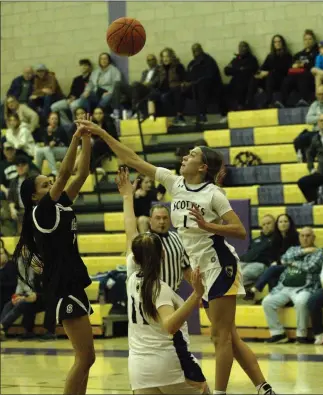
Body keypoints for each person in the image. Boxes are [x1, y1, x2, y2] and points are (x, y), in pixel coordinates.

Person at [75, 118, 276, 395]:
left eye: (192, 155)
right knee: (228, 335)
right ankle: (264, 387)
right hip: (201, 268)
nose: (185, 157)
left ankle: (219, 393)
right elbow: (131, 159)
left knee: (220, 337)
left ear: (203, 167)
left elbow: (240, 230)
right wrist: (100, 133)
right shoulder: (175, 182)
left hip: (220, 266)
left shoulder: (213, 194)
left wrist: (208, 226)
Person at [11, 118, 95, 394]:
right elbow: (64, 174)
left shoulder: (60, 206)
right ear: (35, 197)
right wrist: (74, 137)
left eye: (50, 184)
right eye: (45, 186)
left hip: (72, 281)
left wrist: (87, 139)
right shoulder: (42, 212)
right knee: (84, 358)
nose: (52, 187)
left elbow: (80, 174)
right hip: (62, 285)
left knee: (86, 358)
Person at [115, 168, 209, 394]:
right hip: (168, 360)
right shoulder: (160, 288)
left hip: (137, 366)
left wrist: (127, 197)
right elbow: (170, 325)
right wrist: (197, 294)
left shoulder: (130, 275)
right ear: (162, 256)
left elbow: (130, 231)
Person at [262, 227, 323, 344]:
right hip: (285, 287)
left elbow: (310, 267)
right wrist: (303, 252)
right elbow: (283, 259)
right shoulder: (292, 249)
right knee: (267, 302)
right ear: (299, 237)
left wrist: (293, 262)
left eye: (308, 236)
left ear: (314, 237)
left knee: (301, 302)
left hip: (305, 287)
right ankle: (278, 333)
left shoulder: (319, 252)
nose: (305, 238)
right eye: (302, 236)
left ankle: (301, 335)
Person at [248, 214, 299, 299]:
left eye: (285, 221)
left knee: (272, 269)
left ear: (290, 223)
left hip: (293, 266)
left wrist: (277, 263)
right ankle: (274, 297)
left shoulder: (296, 237)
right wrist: (273, 262)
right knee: (272, 274)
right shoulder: (275, 239)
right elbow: (272, 256)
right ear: (277, 224)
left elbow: (293, 256)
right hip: (279, 266)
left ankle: (254, 289)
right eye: (280, 222)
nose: (283, 224)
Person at [293, 84, 323, 162]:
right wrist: (321, 117)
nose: (321, 96)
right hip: (315, 132)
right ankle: (305, 162)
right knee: (298, 140)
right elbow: (308, 119)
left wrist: (317, 117)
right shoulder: (315, 104)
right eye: (319, 94)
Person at [247, 35, 293, 108]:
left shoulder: (287, 55)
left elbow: (284, 70)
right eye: (275, 42)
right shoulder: (270, 56)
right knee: (254, 77)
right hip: (269, 80)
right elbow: (263, 67)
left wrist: (268, 72)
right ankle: (249, 103)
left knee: (270, 76)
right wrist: (259, 73)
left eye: (279, 41)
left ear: (282, 43)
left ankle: (269, 101)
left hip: (280, 80)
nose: (277, 43)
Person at [184, 43, 225, 124]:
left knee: (201, 87)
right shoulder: (192, 63)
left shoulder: (209, 60)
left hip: (212, 87)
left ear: (201, 49)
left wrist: (193, 83)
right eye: (193, 50)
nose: (195, 52)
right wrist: (185, 82)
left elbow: (209, 76)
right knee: (178, 90)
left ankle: (202, 115)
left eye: (197, 50)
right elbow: (188, 75)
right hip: (195, 87)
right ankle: (180, 116)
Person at [147, 48, 187, 126]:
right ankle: (151, 117)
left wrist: (182, 84)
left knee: (167, 96)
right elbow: (156, 81)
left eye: (167, 56)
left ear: (172, 57)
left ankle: (179, 117)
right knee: (151, 95)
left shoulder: (178, 66)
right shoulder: (159, 68)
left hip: (174, 88)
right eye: (163, 57)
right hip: (162, 89)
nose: (165, 59)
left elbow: (184, 78)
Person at [112, 54, 160, 118]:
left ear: (156, 60)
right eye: (148, 60)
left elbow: (156, 82)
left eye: (152, 59)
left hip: (149, 90)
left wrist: (146, 83)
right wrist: (140, 84)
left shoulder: (159, 70)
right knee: (118, 84)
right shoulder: (145, 72)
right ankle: (116, 111)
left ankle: (135, 111)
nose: (150, 61)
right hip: (140, 89)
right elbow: (141, 83)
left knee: (135, 84)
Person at [279, 29, 319, 107]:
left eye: (310, 39)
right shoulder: (298, 54)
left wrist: (303, 65)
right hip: (296, 75)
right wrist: (293, 66)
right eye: (305, 39)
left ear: (314, 40)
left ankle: (305, 100)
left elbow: (316, 65)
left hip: (310, 76)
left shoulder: (317, 53)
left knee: (303, 76)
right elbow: (291, 65)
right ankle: (283, 102)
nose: (307, 41)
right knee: (286, 80)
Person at [51, 59, 93, 126]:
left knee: (73, 105)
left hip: (82, 99)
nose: (83, 67)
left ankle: (75, 125)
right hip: (72, 99)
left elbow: (86, 92)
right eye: (82, 65)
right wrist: (69, 98)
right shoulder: (77, 79)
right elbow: (72, 91)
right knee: (54, 107)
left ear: (89, 67)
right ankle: (67, 124)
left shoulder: (91, 78)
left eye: (85, 65)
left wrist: (74, 98)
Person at [239, 214, 276, 288]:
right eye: (264, 224)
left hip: (260, 265)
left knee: (241, 276)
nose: (266, 226)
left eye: (269, 223)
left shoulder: (277, 239)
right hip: (245, 262)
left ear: (275, 224)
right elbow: (248, 253)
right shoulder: (256, 240)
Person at [224, 41, 259, 112]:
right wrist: (239, 69)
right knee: (224, 89)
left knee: (241, 84)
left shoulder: (252, 59)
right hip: (235, 82)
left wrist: (237, 70)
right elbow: (226, 70)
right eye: (240, 47)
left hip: (247, 82)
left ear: (247, 48)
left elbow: (252, 69)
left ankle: (241, 106)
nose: (241, 49)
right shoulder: (235, 60)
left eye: (243, 46)